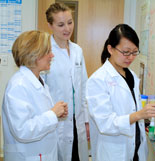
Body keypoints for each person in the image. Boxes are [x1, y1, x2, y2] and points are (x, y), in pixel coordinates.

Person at [86, 24, 155, 161]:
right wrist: (139, 114)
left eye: (134, 52)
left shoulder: (131, 75)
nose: (130, 57)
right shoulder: (97, 80)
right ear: (110, 49)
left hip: (136, 149)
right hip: (114, 152)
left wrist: (143, 112)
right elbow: (105, 124)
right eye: (126, 52)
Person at [2, 30, 68, 161]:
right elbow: (22, 131)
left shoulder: (38, 80)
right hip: (27, 156)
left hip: (42, 153)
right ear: (34, 55)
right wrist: (52, 114)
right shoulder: (18, 85)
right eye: (48, 52)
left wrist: (56, 114)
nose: (52, 55)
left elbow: (38, 116)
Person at [43, 3, 89, 161]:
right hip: (56, 123)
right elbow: (40, 91)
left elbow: (84, 87)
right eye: (61, 24)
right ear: (50, 25)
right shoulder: (44, 51)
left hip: (77, 122)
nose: (67, 29)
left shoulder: (77, 50)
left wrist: (86, 121)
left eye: (70, 22)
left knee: (77, 156)